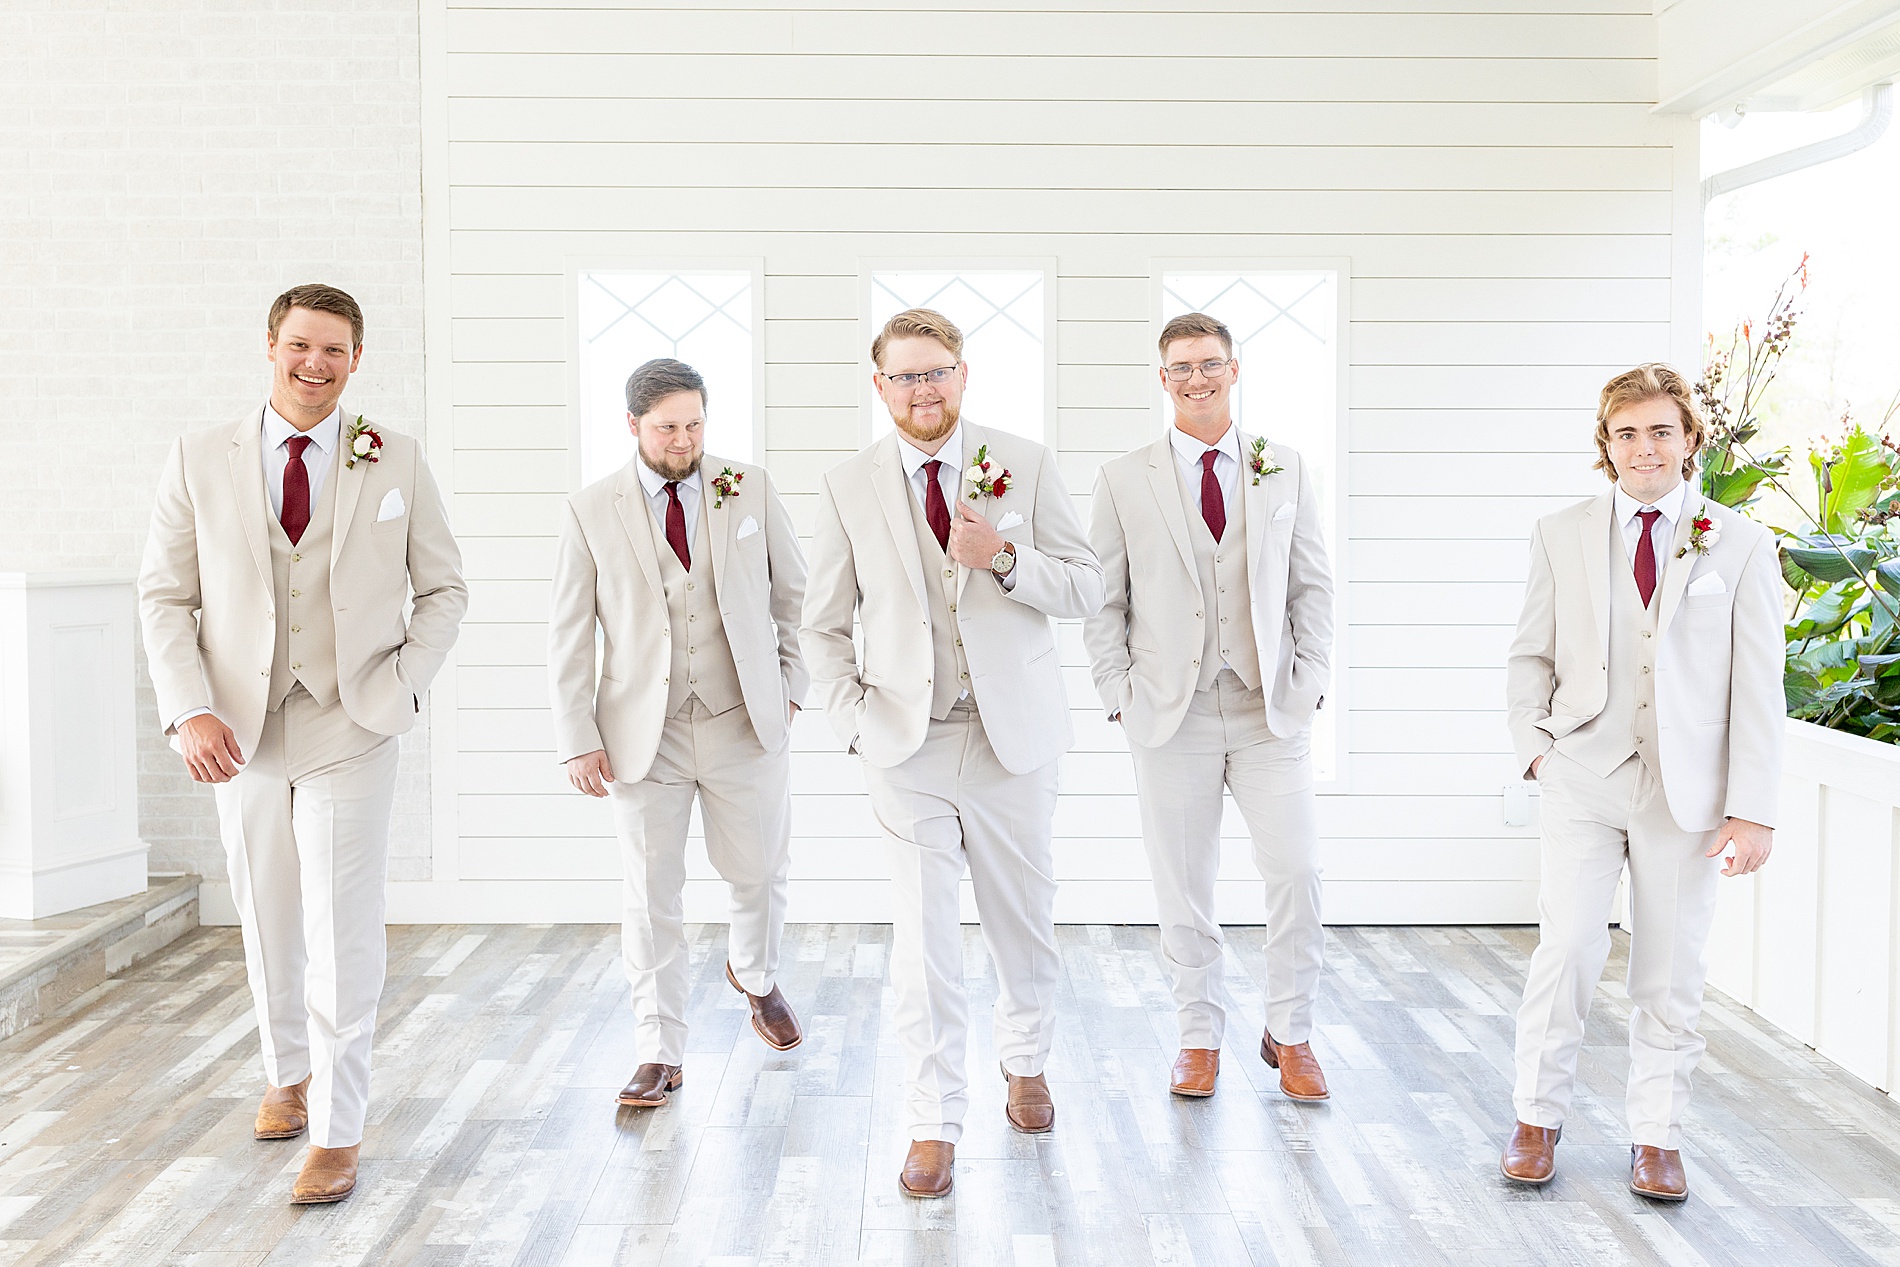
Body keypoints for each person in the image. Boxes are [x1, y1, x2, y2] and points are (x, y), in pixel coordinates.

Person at [138, 283, 467, 1204]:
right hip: (235, 729)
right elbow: (164, 597)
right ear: (270, 345)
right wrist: (187, 708)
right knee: (266, 910)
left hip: (351, 720)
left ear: (357, 359)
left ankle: (339, 1127)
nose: (315, 364)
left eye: (334, 350)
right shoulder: (199, 456)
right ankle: (287, 1072)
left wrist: (402, 681)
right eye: (299, 345)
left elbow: (444, 589)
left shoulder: (394, 455)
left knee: (341, 924)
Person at [799, 308, 1103, 1198]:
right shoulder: (847, 484)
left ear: (962, 376)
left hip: (1014, 737)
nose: (922, 389)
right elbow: (822, 626)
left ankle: (1027, 1058)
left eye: (936, 372)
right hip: (907, 742)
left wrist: (1003, 555)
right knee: (924, 940)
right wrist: (856, 722)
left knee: (1022, 920)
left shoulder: (1027, 461)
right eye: (905, 375)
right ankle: (931, 1120)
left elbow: (1086, 585)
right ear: (879, 384)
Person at [1500, 363, 1782, 1202]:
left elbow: (1759, 687)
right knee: (1569, 947)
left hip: (1687, 792)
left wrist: (1752, 809)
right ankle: (1535, 1117)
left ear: (1690, 440)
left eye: (1661, 429)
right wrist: (1536, 748)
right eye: (1626, 432)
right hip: (1583, 769)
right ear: (1606, 445)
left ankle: (1656, 1136)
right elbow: (1531, 652)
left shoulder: (1740, 542)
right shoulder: (1561, 531)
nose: (1643, 447)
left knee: (1669, 966)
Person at [1083, 312, 1334, 1103]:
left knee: (1297, 871)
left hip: (1269, 708)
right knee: (1183, 882)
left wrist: (1313, 673)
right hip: (1169, 710)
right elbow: (1103, 598)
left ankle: (1290, 1031)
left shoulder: (1282, 466)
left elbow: (1311, 583)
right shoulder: (1125, 478)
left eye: (1210, 364)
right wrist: (1116, 692)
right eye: (1182, 367)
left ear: (1234, 369)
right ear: (1163, 379)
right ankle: (1198, 1033)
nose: (1197, 378)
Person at [548, 357, 809, 1109]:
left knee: (760, 869)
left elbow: (794, 595)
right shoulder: (590, 509)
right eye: (668, 426)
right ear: (633, 425)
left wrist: (791, 687)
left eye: (695, 423)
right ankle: (659, 1050)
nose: (684, 438)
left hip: (743, 719)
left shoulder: (749, 486)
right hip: (642, 733)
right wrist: (577, 733)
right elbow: (568, 632)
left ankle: (754, 975)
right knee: (650, 893)